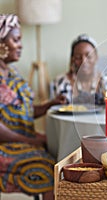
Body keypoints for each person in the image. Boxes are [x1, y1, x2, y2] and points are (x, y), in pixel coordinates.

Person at [0, 14, 66, 200]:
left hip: (20, 141)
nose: (20, 45)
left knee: (61, 157)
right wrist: (30, 141)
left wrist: (48, 105)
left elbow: (23, 112)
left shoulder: (11, 72)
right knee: (48, 167)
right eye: (15, 40)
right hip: (5, 146)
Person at [52, 34, 103, 105]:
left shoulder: (105, 81)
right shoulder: (61, 82)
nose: (83, 61)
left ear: (96, 57)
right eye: (78, 57)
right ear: (72, 59)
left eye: (89, 56)